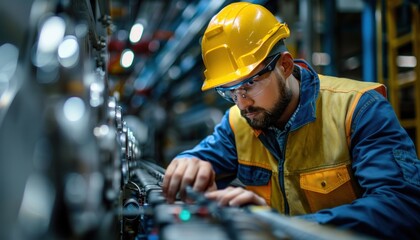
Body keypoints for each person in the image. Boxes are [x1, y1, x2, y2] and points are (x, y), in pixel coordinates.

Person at [162, 2, 420, 239]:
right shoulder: (238, 124)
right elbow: (200, 160)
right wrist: (188, 162)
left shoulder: (358, 109)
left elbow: (402, 206)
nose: (242, 103)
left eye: (249, 84)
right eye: (229, 92)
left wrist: (281, 228)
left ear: (285, 65)